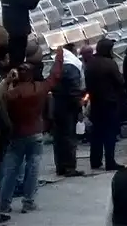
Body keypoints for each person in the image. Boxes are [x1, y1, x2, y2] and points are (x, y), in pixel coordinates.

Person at [0, 48, 63, 215]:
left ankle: (4, 204)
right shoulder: (40, 88)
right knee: (33, 167)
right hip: (35, 132)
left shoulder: (11, 94)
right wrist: (59, 57)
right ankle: (28, 202)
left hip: (17, 133)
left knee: (11, 170)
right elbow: (54, 76)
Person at [84, 38, 125, 171]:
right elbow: (119, 81)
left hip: (95, 102)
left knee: (96, 133)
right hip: (109, 102)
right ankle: (110, 161)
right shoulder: (109, 63)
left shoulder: (90, 63)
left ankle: (95, 161)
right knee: (110, 133)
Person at [52, 45, 86, 177]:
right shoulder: (71, 67)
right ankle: (70, 167)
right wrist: (79, 104)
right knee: (69, 137)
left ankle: (60, 166)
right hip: (68, 108)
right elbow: (73, 91)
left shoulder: (58, 66)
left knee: (59, 138)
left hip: (57, 105)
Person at [0, 0, 40, 65]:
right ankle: (17, 70)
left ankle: (13, 67)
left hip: (8, 29)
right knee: (19, 53)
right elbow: (31, 4)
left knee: (12, 51)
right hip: (20, 30)